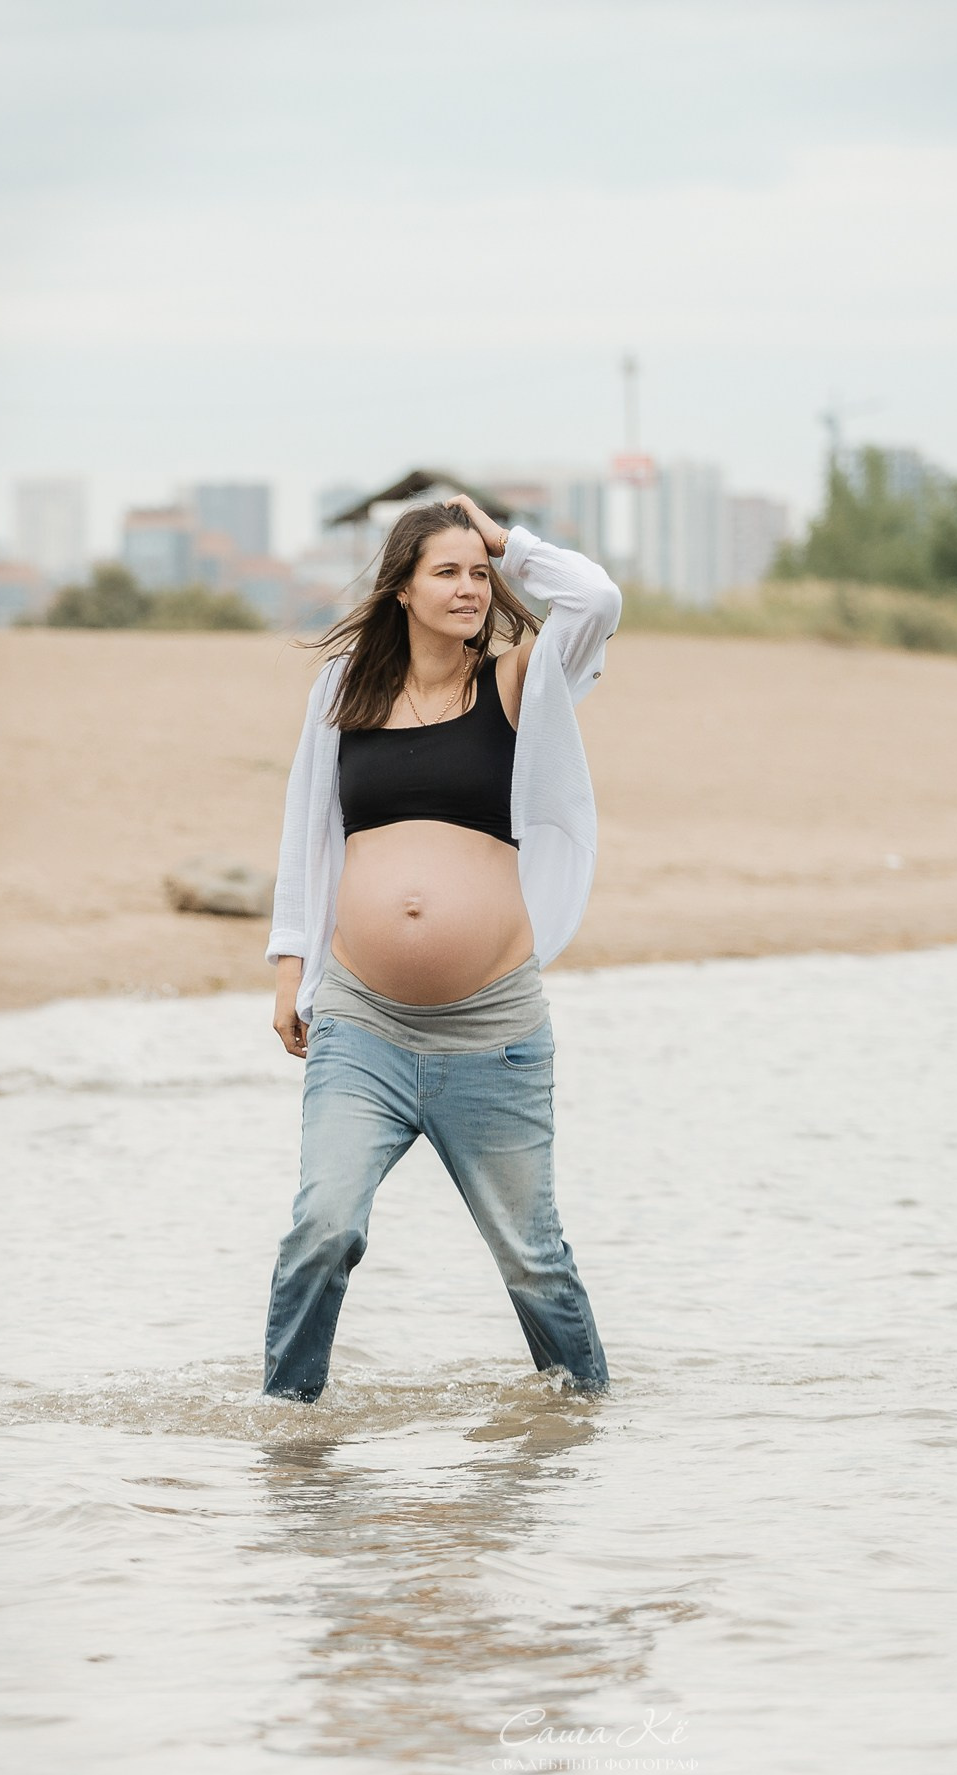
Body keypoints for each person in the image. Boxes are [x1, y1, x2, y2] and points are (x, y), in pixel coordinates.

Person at [262, 493, 621, 1402]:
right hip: (362, 1020)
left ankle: (580, 1417)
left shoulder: (517, 682)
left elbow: (594, 599)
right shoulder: (344, 690)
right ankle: (288, 1419)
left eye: (479, 573)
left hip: (491, 1029)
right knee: (323, 1227)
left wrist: (507, 541)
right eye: (447, 572)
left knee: (532, 1259)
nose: (470, 587)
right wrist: (290, 966)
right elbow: (308, 828)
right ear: (402, 590)